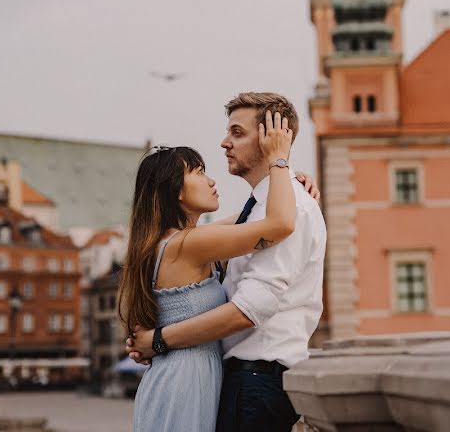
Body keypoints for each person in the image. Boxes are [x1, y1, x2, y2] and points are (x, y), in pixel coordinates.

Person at [128, 92, 327, 432]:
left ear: (270, 137)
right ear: (175, 190)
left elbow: (255, 299)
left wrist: (288, 175)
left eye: (237, 132)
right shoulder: (190, 241)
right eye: (198, 171)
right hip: (214, 382)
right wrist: (284, 171)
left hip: (251, 380)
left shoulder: (276, 209)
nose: (224, 143)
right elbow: (275, 223)